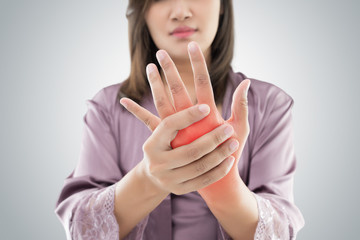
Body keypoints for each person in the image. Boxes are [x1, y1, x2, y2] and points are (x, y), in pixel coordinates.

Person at [55, 0, 305, 239]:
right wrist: (147, 180)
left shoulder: (269, 105)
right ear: (141, 9)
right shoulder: (107, 108)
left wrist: (225, 189)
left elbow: (281, 233)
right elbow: (80, 230)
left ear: (222, 5)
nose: (180, 11)